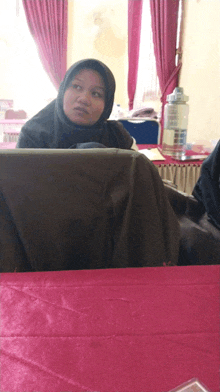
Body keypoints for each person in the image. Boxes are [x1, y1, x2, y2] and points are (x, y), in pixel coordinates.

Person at [16, 59, 138, 150]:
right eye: (76, 86)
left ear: (107, 105)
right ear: (63, 91)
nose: (84, 99)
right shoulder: (34, 134)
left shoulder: (117, 136)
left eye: (96, 94)